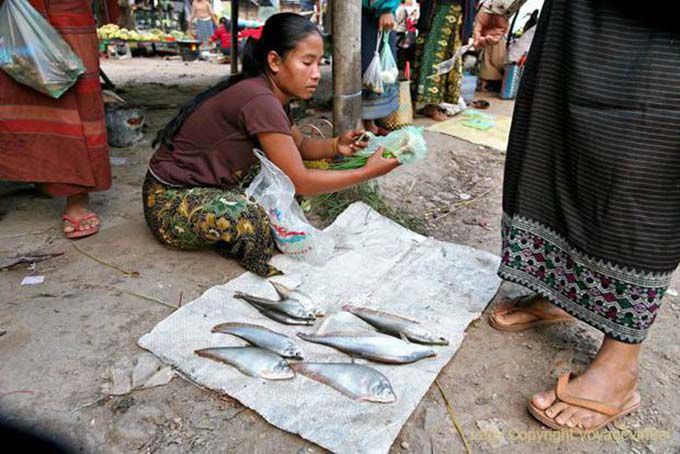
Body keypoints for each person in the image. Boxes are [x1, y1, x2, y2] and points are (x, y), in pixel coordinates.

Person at [475, 0, 678, 433]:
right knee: (557, 137)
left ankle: (620, 367)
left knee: (640, 162)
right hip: (579, 16)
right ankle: (559, 292)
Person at [144, 13, 400, 276]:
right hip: (168, 200)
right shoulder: (260, 100)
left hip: (208, 184)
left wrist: (337, 146)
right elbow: (300, 180)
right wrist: (367, 171)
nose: (316, 75)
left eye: (319, 63)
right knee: (254, 219)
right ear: (275, 61)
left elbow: (299, 147)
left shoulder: (270, 94)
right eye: (306, 63)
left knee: (282, 182)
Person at [0, 0, 111, 239]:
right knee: (9, 97)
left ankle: (77, 194)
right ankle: (34, 176)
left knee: (75, 92)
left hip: (66, 9)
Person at [411, 0, 466, 122]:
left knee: (448, 59)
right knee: (427, 56)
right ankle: (412, 103)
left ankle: (432, 105)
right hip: (436, 9)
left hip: (458, 13)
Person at [361, 0, 400, 136]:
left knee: (375, 67)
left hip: (374, 12)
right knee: (367, 64)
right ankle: (363, 124)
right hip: (369, 11)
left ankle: (369, 123)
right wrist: (386, 8)